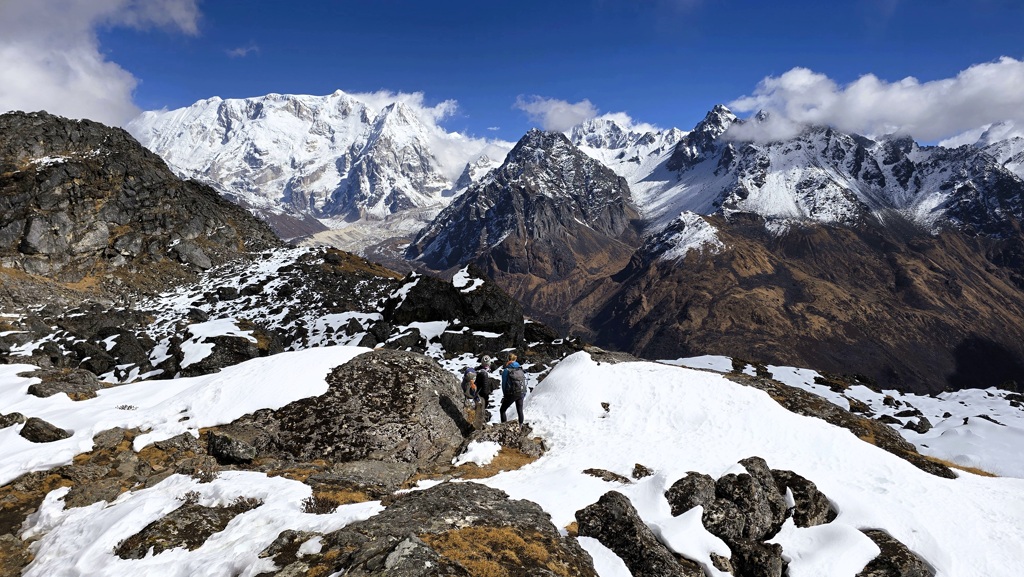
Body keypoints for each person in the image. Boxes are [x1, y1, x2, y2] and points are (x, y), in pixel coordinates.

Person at [499, 353, 526, 425]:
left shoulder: (506, 370)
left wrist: (505, 396)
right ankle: (521, 426)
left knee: (502, 410)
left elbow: (504, 384)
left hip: (512, 393)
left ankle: (503, 427)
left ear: (508, 360)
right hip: (521, 392)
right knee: (520, 410)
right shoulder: (520, 368)